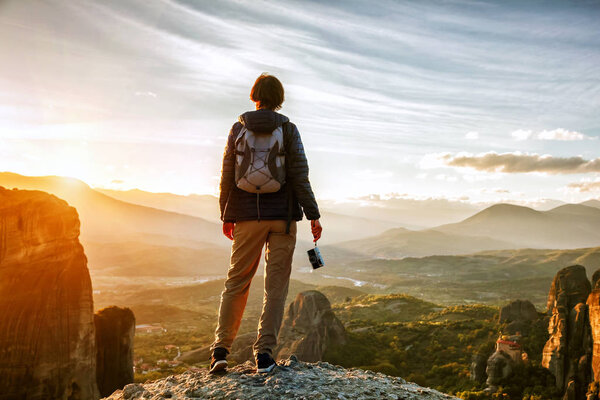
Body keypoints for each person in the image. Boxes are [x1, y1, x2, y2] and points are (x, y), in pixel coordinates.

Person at [209, 73, 322, 374]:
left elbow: (227, 175)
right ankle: (264, 355)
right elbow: (299, 174)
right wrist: (313, 214)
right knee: (275, 288)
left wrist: (226, 214)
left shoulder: (238, 128)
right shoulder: (288, 129)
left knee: (236, 282)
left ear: (254, 95)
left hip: (246, 216)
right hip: (282, 218)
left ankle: (220, 352)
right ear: (279, 98)